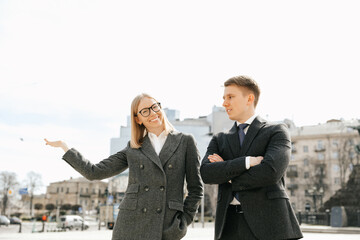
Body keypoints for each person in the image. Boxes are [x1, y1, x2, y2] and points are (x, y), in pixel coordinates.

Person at [45, 93, 203, 240]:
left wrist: (183, 221)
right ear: (138, 119)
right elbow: (94, 172)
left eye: (155, 107)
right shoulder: (134, 147)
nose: (153, 113)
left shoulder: (185, 141)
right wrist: (64, 147)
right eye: (145, 111)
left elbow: (196, 188)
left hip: (167, 225)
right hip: (130, 225)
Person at [200, 76, 303, 240]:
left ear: (249, 98)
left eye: (230, 97)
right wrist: (247, 162)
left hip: (271, 225)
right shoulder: (220, 139)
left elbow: (270, 172)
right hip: (228, 226)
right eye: (224, 98)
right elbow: (206, 173)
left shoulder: (277, 131)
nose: (224, 103)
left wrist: (228, 177)